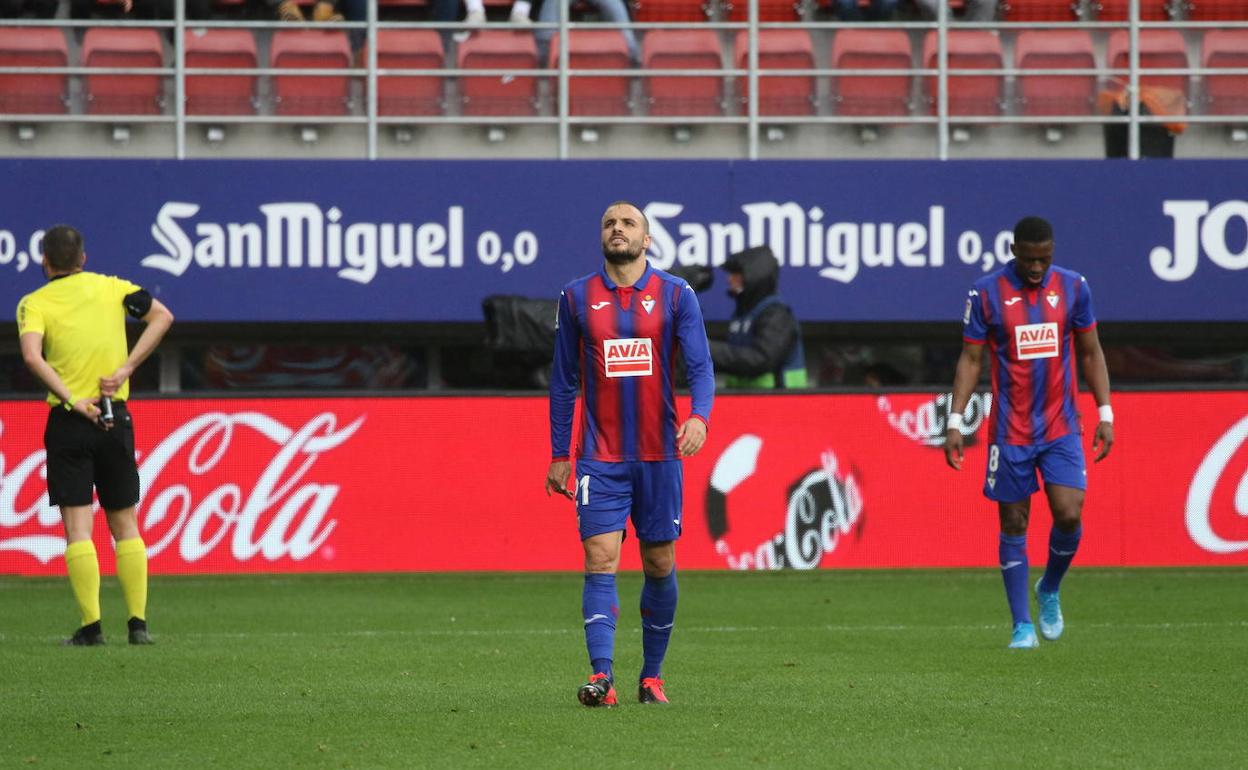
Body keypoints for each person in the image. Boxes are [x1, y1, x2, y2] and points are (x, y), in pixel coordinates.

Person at [545, 201, 714, 707]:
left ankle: (651, 677)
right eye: (609, 223)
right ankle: (602, 676)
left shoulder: (677, 294)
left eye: (628, 223)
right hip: (600, 456)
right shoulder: (576, 297)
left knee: (659, 561)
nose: (617, 228)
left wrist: (699, 416)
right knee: (600, 558)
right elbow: (562, 381)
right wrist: (559, 453)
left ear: (647, 238)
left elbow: (701, 367)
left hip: (659, 455)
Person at [942, 216, 1114, 650]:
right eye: (1029, 259)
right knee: (1014, 519)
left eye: (1044, 259)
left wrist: (1105, 412)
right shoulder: (985, 293)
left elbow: (1090, 352)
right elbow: (971, 360)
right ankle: (1021, 625)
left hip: (1061, 425)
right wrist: (955, 420)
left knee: (1069, 513)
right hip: (1010, 430)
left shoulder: (1074, 287)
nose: (1037, 268)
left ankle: (1049, 587)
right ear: (1014, 250)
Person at [16, 225, 174, 646]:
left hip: (71, 420)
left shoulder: (34, 303)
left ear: (45, 261)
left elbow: (31, 356)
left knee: (78, 528)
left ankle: (92, 627)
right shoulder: (114, 288)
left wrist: (70, 399)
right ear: (83, 258)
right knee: (125, 523)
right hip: (113, 415)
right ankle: (138, 625)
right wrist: (126, 369)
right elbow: (163, 316)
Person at [708, 245, 807, 389]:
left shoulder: (776, 314)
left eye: (736, 274)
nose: (730, 279)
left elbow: (762, 359)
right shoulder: (743, 313)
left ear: (753, 276)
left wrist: (710, 351)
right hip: (745, 399)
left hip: (780, 399)